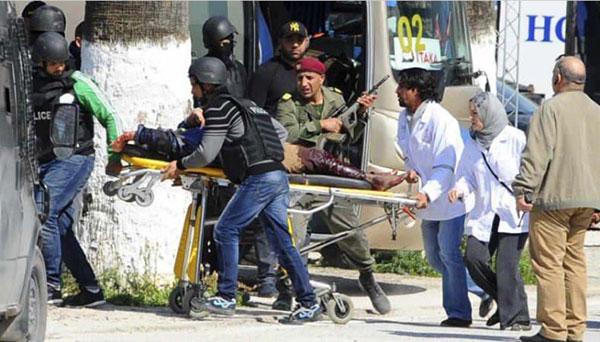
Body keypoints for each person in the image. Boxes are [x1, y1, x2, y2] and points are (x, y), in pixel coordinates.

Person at [161, 56, 321, 324]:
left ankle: (226, 296)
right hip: (277, 176)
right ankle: (309, 302)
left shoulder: (218, 108)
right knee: (282, 243)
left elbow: (205, 153)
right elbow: (280, 135)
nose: (193, 91)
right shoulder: (251, 107)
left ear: (206, 83)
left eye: (194, 84)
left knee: (225, 229)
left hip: (259, 179)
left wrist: (180, 164)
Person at [277, 57, 397, 315]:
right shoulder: (288, 103)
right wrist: (320, 125)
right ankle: (287, 289)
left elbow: (348, 135)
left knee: (353, 234)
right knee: (291, 237)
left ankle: (367, 276)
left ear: (322, 79)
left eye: (310, 77)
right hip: (300, 179)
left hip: (333, 177)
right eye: (300, 78)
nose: (304, 83)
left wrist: (360, 113)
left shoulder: (336, 100)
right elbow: (286, 134)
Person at [32, 32, 123, 307]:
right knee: (59, 225)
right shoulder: (31, 85)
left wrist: (114, 155)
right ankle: (91, 290)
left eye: (61, 62)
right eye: (52, 64)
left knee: (43, 211)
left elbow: (109, 115)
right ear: (40, 63)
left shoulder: (77, 83)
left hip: (76, 158)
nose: (59, 68)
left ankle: (51, 285)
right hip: (47, 161)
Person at [514, 56, 600, 342]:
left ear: (558, 79)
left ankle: (552, 331)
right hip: (586, 201)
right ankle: (575, 331)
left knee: (549, 263)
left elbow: (537, 154)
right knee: (574, 263)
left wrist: (524, 189)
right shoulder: (596, 110)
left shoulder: (549, 108)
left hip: (553, 199)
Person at [394, 67, 474, 327]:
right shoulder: (405, 117)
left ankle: (459, 314)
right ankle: (484, 290)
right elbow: (407, 151)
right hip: (428, 198)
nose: (397, 91)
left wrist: (427, 192)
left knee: (450, 254)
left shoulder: (442, 121)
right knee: (433, 257)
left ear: (416, 91)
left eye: (402, 87)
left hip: (449, 197)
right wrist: (411, 171)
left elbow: (446, 166)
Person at [449, 92, 531, 331]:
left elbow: (530, 170)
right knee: (473, 258)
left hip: (512, 213)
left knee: (506, 267)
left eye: (475, 114)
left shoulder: (515, 138)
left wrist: (527, 194)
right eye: (471, 113)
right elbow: (466, 175)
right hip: (485, 213)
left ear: (489, 113)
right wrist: (460, 189)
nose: (472, 119)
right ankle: (508, 303)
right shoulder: (473, 143)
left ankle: (517, 318)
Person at [248, 21, 310, 117]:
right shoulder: (266, 72)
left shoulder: (314, 72)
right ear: (280, 41)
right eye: (290, 40)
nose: (295, 45)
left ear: (306, 42)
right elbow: (253, 112)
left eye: (299, 40)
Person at [202, 16, 247, 98]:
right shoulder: (202, 69)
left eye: (230, 40)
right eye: (224, 43)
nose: (230, 46)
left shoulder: (238, 68)